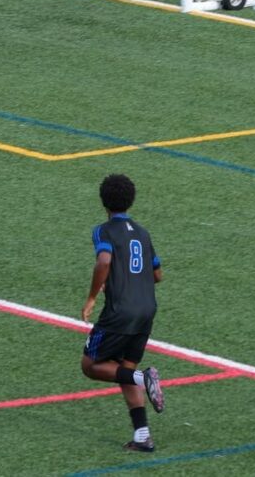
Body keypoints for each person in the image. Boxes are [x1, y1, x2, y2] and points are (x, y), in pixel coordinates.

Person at [80, 173, 165, 453]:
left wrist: (93, 296)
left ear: (103, 201)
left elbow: (104, 260)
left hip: (120, 313)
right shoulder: (143, 233)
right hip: (146, 311)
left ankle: (145, 378)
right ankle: (142, 435)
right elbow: (157, 274)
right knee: (121, 370)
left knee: (91, 365)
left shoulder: (103, 231)